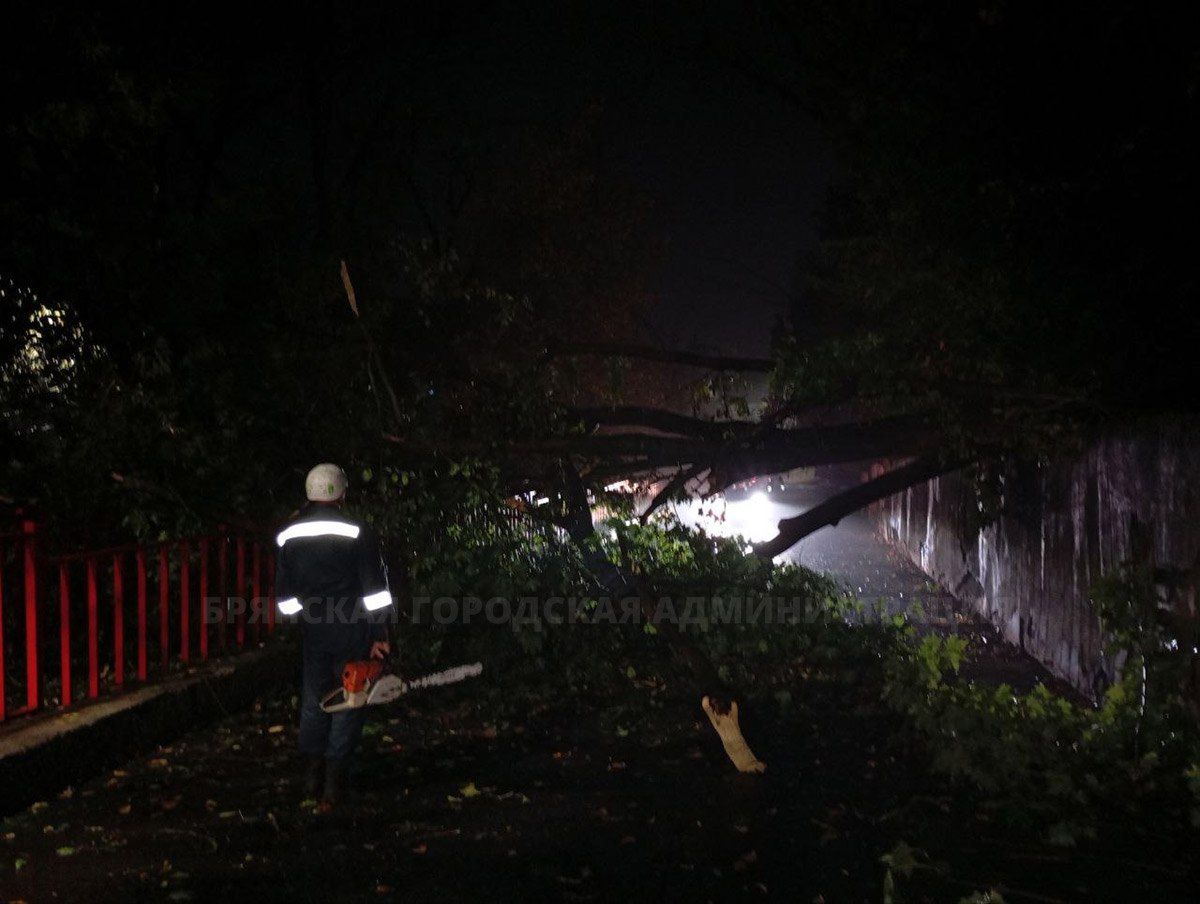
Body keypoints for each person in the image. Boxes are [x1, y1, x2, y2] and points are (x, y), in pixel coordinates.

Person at [273, 463, 392, 807]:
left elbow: (284, 598)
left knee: (314, 702)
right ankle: (333, 784)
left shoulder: (287, 536)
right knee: (350, 699)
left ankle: (311, 776)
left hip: (314, 632)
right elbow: (374, 591)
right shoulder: (357, 532)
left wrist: (304, 620)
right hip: (352, 629)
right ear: (342, 492)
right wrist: (380, 633)